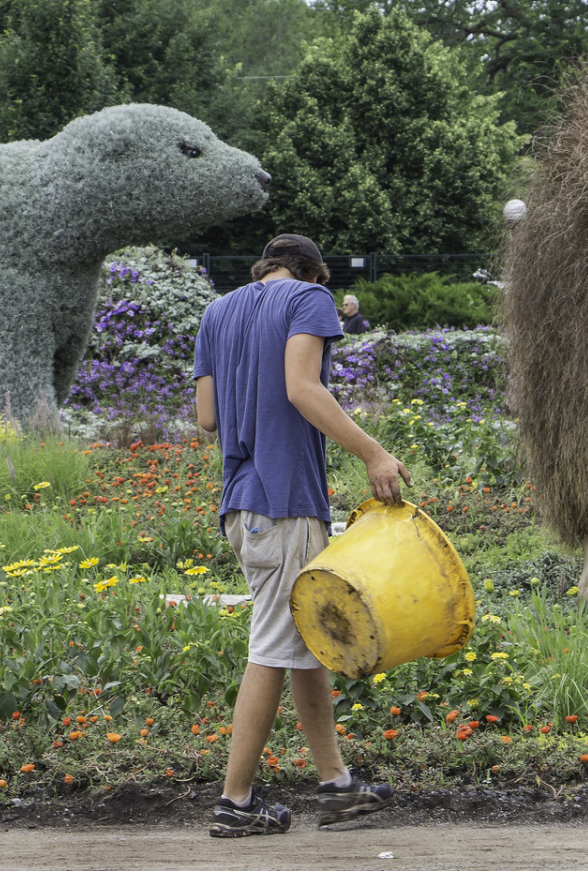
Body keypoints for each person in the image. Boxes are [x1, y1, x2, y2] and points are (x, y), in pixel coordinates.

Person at [193, 233, 410, 837]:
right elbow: (302, 388)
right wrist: (373, 453)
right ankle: (235, 804)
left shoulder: (217, 310)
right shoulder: (309, 300)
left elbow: (207, 417)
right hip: (284, 500)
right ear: (314, 274)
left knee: (303, 639)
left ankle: (336, 784)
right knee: (271, 645)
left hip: (242, 503)